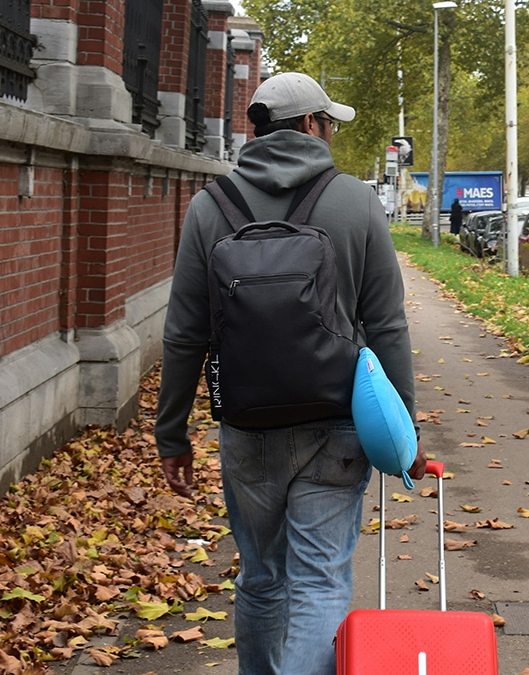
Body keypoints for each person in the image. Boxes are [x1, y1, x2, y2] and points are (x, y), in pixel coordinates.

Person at [155, 71, 427, 675]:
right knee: (320, 581)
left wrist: (171, 434)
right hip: (338, 423)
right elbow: (387, 326)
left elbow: (184, 333)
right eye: (328, 123)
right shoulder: (355, 201)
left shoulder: (209, 206)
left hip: (248, 428)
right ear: (309, 125)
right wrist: (405, 430)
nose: (329, 134)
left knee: (261, 578)